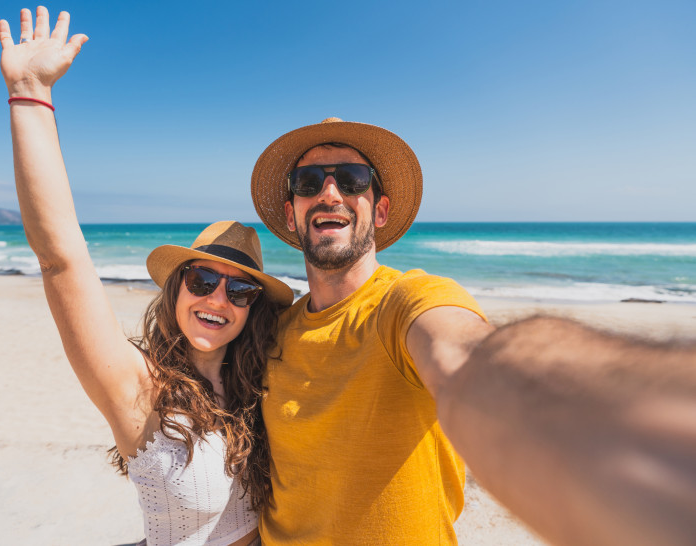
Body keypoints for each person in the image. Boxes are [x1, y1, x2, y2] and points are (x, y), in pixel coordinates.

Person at [250, 118, 696, 545]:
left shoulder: (406, 301)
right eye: (309, 183)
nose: (330, 193)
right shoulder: (272, 331)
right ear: (291, 214)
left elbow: (466, 359)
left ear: (380, 210)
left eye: (352, 179)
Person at [0, 8, 293, 546]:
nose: (219, 297)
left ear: (254, 308)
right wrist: (29, 93)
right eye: (203, 280)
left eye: (241, 288)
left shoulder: (259, 389)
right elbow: (61, 258)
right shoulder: (138, 388)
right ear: (176, 287)